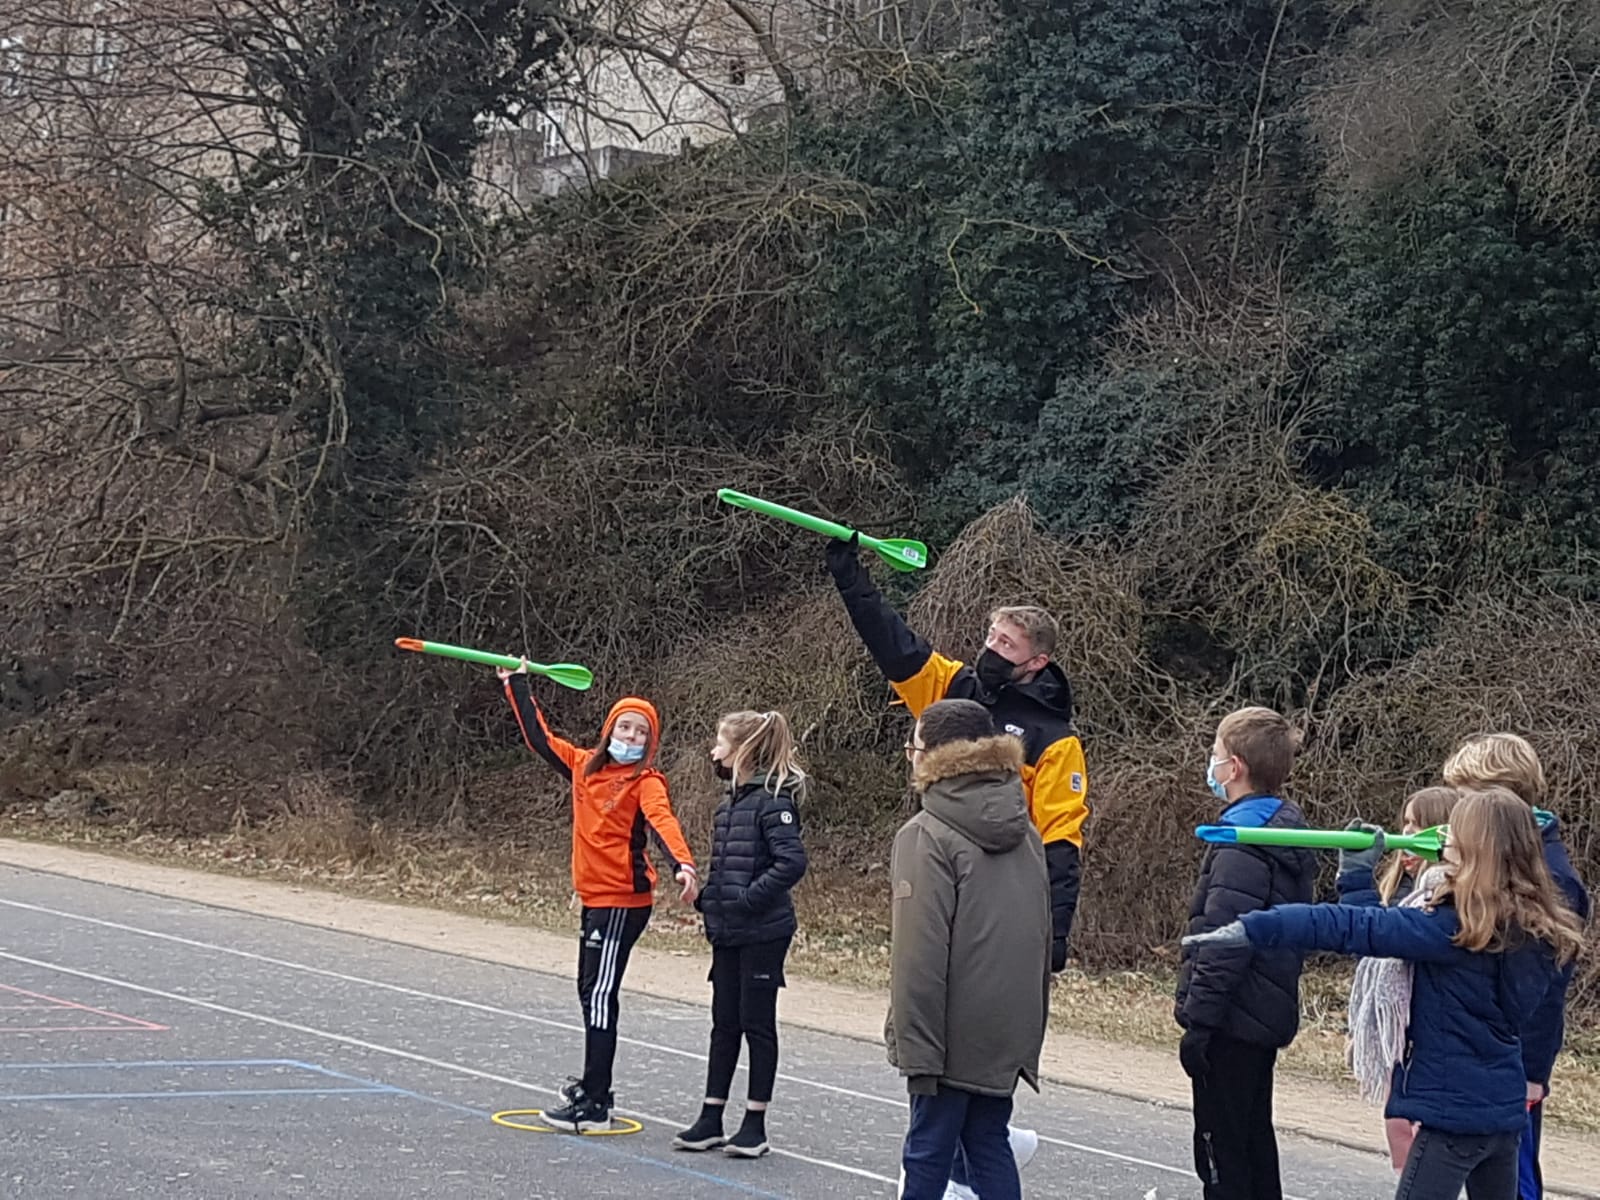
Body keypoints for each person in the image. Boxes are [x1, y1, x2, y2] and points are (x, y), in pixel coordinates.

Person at [1185, 788, 1584, 1200]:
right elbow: (1376, 928)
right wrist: (1363, 883)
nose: (1443, 836)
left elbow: (1353, 927)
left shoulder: (1449, 931)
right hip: (1501, 1115)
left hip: (1452, 1120)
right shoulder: (1535, 931)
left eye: (1454, 832)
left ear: (1474, 849)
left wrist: (1256, 927)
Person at [828, 537, 1075, 1194]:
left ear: (1038, 661)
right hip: (987, 947)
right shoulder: (958, 687)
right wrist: (851, 576)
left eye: (1010, 644)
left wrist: (1052, 940)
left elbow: (1060, 846)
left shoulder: (1051, 739)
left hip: (994, 926)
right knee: (979, 1135)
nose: (994, 648)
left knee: (937, 1135)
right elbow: (895, 645)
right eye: (992, 635)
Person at [499, 660, 698, 1130]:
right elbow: (540, 740)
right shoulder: (584, 768)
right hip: (592, 898)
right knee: (589, 991)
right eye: (624, 726)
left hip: (622, 903)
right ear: (609, 728)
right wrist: (517, 683)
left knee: (601, 995)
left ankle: (596, 1103)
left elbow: (662, 822)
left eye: (640, 731)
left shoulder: (645, 782)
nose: (630, 735)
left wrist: (683, 863)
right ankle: (592, 1088)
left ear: (650, 743)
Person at [889, 699, 1051, 1200]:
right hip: (1008, 1024)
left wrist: (915, 1047)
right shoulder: (1026, 831)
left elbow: (919, 954)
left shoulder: (925, 835)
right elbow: (1039, 935)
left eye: (914, 746)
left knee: (927, 1152)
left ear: (933, 756)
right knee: (987, 1143)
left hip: (948, 1031)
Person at [1441, 734, 1592, 1200]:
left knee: (1515, 1180)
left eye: (1467, 801)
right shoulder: (1498, 859)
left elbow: (1547, 992)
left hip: (1519, 1059)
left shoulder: (1553, 877)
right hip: (1485, 1055)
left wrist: (1533, 1072)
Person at [1174, 706, 1316, 1200]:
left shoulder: (1243, 845)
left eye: (1214, 756)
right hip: (1261, 1015)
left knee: (1222, 1154)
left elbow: (1223, 940)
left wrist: (1200, 1022)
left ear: (1233, 767)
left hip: (1232, 1020)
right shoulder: (1284, 830)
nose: (1209, 765)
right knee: (1255, 1144)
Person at [674, 710, 809, 1160]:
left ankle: (755, 1122)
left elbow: (790, 862)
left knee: (757, 1023)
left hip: (764, 932)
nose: (713, 752)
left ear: (742, 751)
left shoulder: (775, 803)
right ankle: (711, 1116)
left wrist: (751, 899)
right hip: (727, 931)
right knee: (723, 1023)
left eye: (720, 744)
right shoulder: (727, 805)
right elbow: (727, 869)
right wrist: (704, 897)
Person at [1335, 787, 1462, 1172]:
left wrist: (1356, 883)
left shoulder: (1442, 896)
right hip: (1403, 1052)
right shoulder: (1405, 889)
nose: (1406, 833)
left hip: (1428, 1051)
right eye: (1405, 822)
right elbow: (1372, 944)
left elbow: (1377, 935)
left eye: (1417, 825)